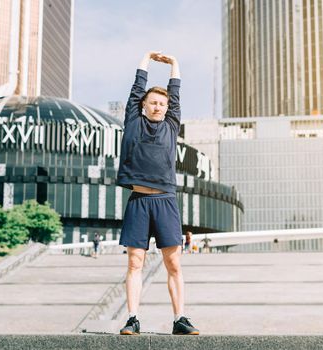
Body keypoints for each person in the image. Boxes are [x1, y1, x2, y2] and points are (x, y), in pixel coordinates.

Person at [116, 51, 199, 336]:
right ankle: (132, 318)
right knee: (134, 262)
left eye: (162, 104)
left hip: (165, 200)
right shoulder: (133, 121)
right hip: (139, 201)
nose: (158, 107)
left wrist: (175, 63)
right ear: (143, 105)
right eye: (153, 102)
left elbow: (175, 94)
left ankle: (180, 319)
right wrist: (145, 60)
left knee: (173, 263)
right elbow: (136, 88)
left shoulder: (171, 125)